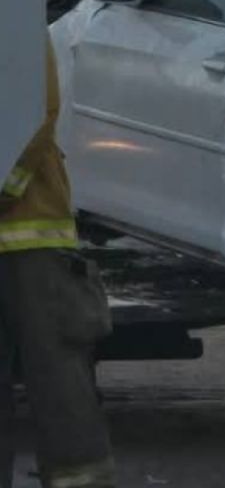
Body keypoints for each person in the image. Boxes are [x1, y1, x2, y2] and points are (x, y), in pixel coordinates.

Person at [0, 36, 115, 488]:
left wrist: (3, 186)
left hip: (30, 237)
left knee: (59, 383)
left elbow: (33, 107)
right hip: (29, 234)